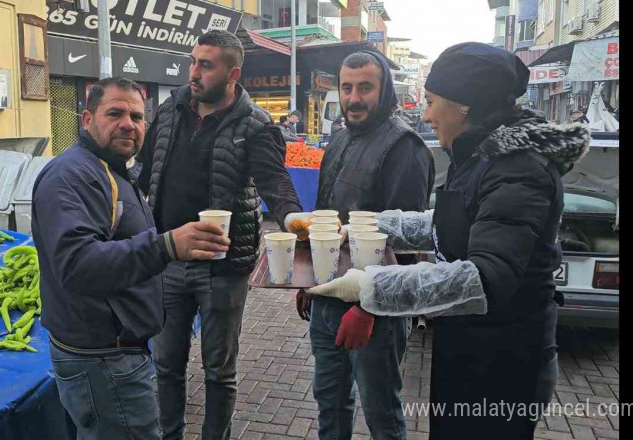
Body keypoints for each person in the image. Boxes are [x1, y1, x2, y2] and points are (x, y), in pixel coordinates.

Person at [307, 42, 590, 439]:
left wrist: (372, 287)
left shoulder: (518, 169)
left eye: (432, 101)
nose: (424, 114)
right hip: (467, 346)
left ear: (465, 106)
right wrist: (360, 227)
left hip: (503, 365)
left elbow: (486, 278)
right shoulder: (477, 158)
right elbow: (444, 224)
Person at [32, 77, 232, 440]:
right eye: (116, 113)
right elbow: (77, 264)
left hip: (117, 354)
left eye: (138, 117)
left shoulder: (115, 171)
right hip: (102, 359)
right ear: (87, 119)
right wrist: (166, 246)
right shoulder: (72, 176)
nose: (129, 124)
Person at [137, 30, 304, 440]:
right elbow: (142, 172)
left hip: (223, 267)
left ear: (233, 73)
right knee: (166, 367)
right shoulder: (170, 109)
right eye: (193, 61)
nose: (193, 72)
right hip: (169, 259)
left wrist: (294, 219)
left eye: (206, 65)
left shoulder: (257, 124)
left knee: (218, 372)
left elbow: (275, 184)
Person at [287, 50, 434, 440]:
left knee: (381, 413)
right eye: (347, 87)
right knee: (330, 402)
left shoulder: (405, 148)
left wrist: (367, 308)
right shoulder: (337, 140)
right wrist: (309, 282)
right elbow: (324, 219)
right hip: (327, 299)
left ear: (384, 90)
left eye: (365, 88)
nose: (354, 98)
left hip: (375, 312)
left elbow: (404, 244)